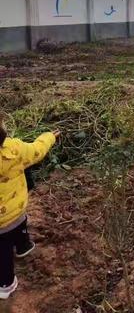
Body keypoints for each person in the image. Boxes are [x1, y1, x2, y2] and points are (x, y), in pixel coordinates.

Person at [0, 116, 60, 299]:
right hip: (15, 211)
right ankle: (6, 284)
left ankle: (23, 245)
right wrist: (50, 136)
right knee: (4, 251)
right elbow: (36, 150)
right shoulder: (14, 148)